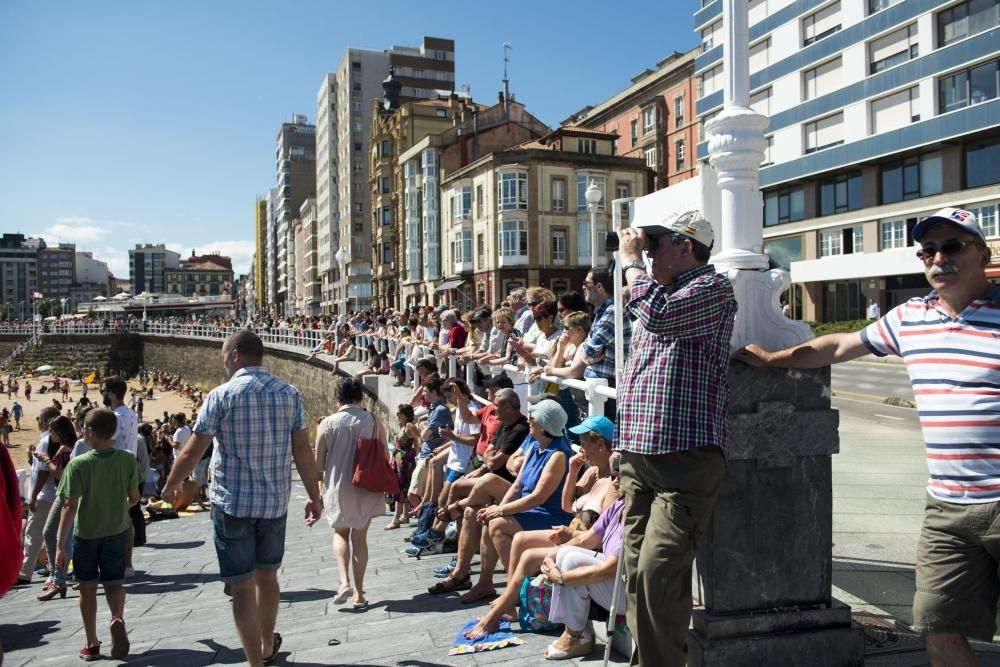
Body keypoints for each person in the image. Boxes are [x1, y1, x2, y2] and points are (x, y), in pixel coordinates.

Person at [735, 207, 996, 667]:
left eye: (953, 246)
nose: (939, 258)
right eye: (928, 250)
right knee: (935, 621)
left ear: (983, 253)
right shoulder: (910, 317)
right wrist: (776, 358)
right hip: (946, 507)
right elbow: (838, 345)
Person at [614, 211, 737, 666]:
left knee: (657, 574)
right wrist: (621, 447)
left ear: (686, 247)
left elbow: (662, 319)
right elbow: (637, 374)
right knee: (635, 573)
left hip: (685, 459)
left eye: (656, 245)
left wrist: (630, 263)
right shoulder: (655, 293)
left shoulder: (712, 288)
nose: (646, 253)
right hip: (640, 456)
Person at [161, 330, 322, 667]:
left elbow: (194, 450)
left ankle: (254, 661)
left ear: (235, 355)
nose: (222, 362)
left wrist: (172, 483)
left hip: (232, 504)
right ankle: (266, 645)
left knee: (241, 586)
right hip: (274, 504)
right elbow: (302, 452)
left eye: (223, 355)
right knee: (268, 577)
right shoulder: (289, 394)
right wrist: (314, 496)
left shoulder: (221, 396)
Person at [464, 399, 573, 603]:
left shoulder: (558, 455)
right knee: (491, 519)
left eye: (532, 418)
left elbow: (538, 497)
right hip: (533, 510)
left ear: (542, 424)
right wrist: (498, 507)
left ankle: (512, 593)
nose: (529, 420)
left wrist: (501, 512)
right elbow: (517, 486)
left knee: (497, 523)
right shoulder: (535, 446)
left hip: (550, 515)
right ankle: (486, 583)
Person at [55, 408, 141, 660]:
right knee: (115, 584)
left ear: (90, 432)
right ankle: (116, 618)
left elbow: (70, 506)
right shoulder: (126, 459)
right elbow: (134, 497)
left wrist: (61, 545)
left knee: (87, 588)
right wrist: (119, 508)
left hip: (87, 534)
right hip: (116, 531)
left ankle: (92, 642)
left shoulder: (78, 464)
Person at [315, 377, 386, 610]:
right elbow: (384, 453)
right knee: (360, 538)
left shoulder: (326, 424)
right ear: (360, 397)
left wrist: (314, 494)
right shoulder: (373, 420)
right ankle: (358, 594)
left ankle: (343, 581)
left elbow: (318, 465)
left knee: (340, 533)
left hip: (337, 487)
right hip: (365, 485)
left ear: (338, 398)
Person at [542, 476, 626, 660]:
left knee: (572, 562)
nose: (615, 482)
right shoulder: (619, 504)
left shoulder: (637, 514)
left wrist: (562, 579)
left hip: (630, 594)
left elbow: (608, 569)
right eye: (613, 476)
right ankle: (576, 632)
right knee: (566, 554)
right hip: (613, 581)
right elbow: (584, 539)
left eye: (621, 475)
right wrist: (550, 556)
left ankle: (576, 635)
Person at [17, 406, 62, 585]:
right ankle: (53, 567)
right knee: (50, 534)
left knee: (33, 533)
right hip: (52, 495)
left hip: (45, 495)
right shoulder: (52, 440)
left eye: (38, 418)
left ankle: (25, 571)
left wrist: (34, 496)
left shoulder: (46, 440)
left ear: (44, 421)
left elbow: (43, 473)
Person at [37, 416, 76, 600]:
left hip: (65, 493)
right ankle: (60, 576)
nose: (50, 434)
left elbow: (59, 472)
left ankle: (57, 576)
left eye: (52, 431)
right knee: (65, 536)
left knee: (53, 533)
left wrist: (46, 460)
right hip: (68, 493)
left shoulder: (64, 448)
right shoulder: (75, 446)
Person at [386, 404, 419, 530]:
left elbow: (418, 439)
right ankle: (405, 515)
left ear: (405, 415)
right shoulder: (403, 426)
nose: (398, 416)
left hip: (405, 461)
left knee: (400, 488)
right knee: (403, 487)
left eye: (399, 414)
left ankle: (396, 519)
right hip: (399, 460)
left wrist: (416, 453)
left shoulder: (409, 426)